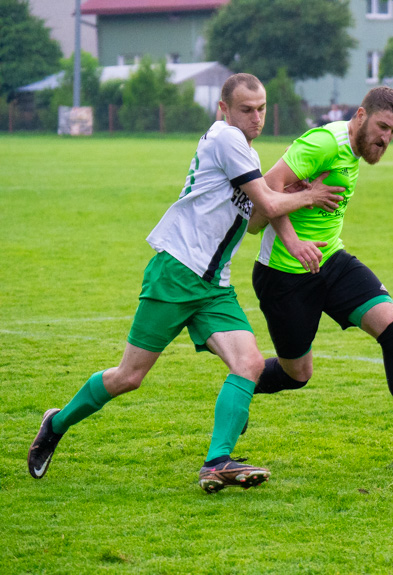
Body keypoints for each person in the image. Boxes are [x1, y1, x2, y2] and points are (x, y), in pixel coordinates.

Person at [27, 73, 344, 493]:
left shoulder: (245, 150)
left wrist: (295, 239)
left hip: (213, 285)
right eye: (246, 110)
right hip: (177, 273)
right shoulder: (226, 139)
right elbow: (268, 201)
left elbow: (254, 222)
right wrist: (309, 195)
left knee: (248, 363)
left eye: (262, 108)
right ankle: (57, 422)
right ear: (224, 110)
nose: (256, 117)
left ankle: (216, 462)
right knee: (128, 376)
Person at [250, 86, 393, 464]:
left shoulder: (353, 152)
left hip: (330, 260)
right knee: (296, 374)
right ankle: (242, 379)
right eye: (382, 127)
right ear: (361, 116)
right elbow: (267, 189)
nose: (385, 138)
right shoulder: (324, 143)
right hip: (284, 274)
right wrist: (296, 241)